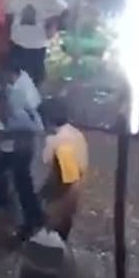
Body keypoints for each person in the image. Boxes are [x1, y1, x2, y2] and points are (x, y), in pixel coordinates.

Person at [0, 55, 45, 240]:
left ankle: (30, 221)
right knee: (13, 176)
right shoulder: (23, 81)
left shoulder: (19, 91)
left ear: (11, 72)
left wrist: (1, 126)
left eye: (2, 73)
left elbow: (20, 121)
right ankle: (32, 214)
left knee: (22, 183)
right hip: (21, 142)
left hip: (20, 144)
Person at [4, 0, 67, 86]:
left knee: (36, 77)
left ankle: (35, 99)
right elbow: (8, 16)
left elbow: (64, 11)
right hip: (17, 41)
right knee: (14, 75)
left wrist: (53, 26)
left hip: (38, 44)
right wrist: (6, 35)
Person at [40, 100, 88, 241]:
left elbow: (69, 179)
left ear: (47, 119)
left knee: (55, 240)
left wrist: (56, 210)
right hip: (70, 197)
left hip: (62, 201)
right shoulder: (75, 133)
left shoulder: (61, 142)